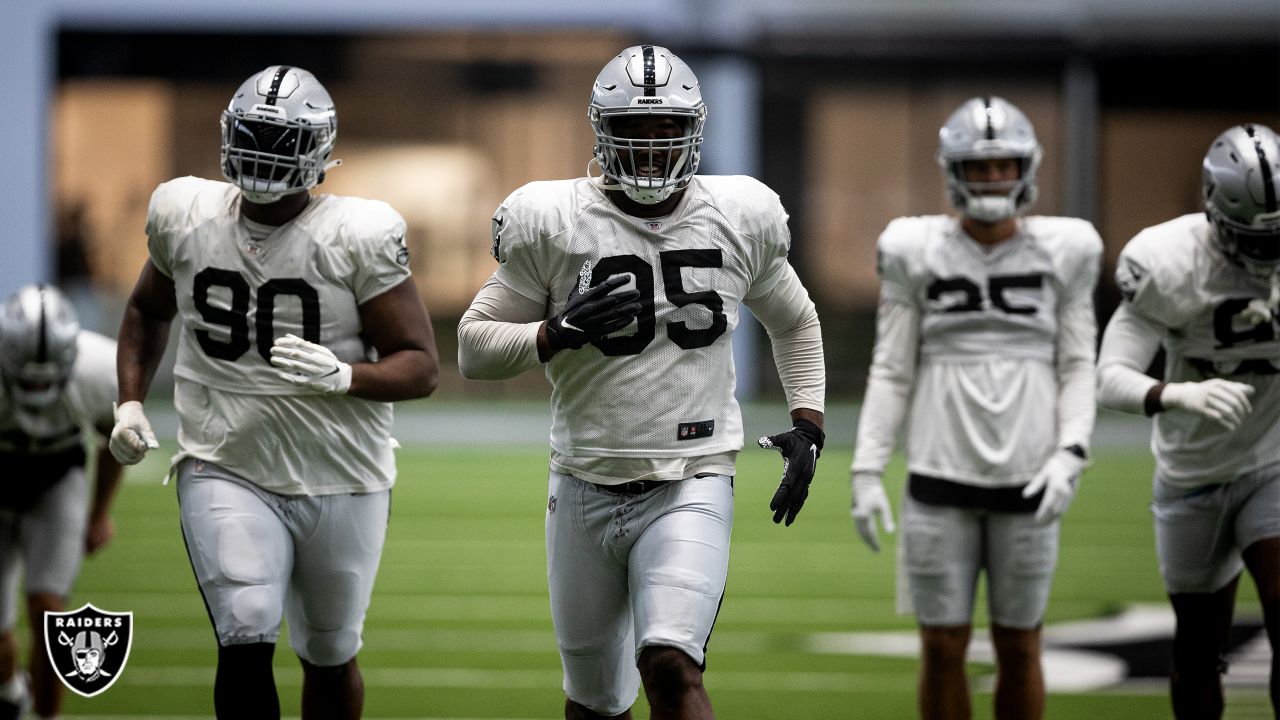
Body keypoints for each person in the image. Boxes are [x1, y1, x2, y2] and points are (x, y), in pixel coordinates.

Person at [457, 45, 826, 720]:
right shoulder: (554, 220)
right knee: (594, 703)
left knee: (671, 664)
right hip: (584, 479)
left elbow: (795, 320)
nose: (651, 146)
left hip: (692, 475)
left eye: (665, 130)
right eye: (634, 129)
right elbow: (474, 349)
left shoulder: (738, 215)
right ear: (602, 131)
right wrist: (555, 333)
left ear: (694, 132)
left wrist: (809, 422)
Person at [109, 65, 439, 720]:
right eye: (255, 134)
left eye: (282, 139)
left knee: (330, 651)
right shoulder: (186, 215)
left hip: (341, 473)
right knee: (246, 626)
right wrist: (129, 400)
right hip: (224, 461)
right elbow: (148, 309)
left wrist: (344, 376)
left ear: (317, 149)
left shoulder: (358, 234)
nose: (264, 151)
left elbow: (421, 365)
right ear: (230, 135)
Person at [848, 96, 1102, 720]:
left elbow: (1076, 365)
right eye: (979, 167)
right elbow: (892, 366)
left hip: (1031, 471)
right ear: (953, 171)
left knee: (1021, 645)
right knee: (940, 646)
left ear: (1028, 167)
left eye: (1004, 165)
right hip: (940, 473)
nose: (993, 178)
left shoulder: (1067, 248)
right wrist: (866, 467)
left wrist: (1072, 451)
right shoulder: (913, 247)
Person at [1096, 123, 1279, 719]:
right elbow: (1109, 377)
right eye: (1254, 238)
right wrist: (1177, 395)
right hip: (1193, 471)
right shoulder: (1168, 261)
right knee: (1199, 651)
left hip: (1273, 459)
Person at [0, 284, 123, 720]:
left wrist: (100, 512)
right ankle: (11, 690)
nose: (36, 382)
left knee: (50, 614)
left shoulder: (100, 367)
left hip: (57, 478)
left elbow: (117, 438)